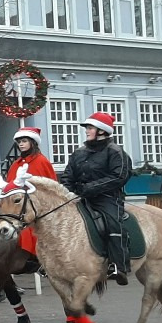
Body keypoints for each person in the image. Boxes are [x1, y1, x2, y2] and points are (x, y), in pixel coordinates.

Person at [61, 111, 133, 285]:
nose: (86, 130)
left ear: (101, 131)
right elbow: (67, 175)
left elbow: (119, 177)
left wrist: (89, 189)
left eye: (90, 127)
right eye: (87, 127)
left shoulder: (115, 152)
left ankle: (118, 265)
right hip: (79, 196)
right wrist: (67, 191)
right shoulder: (79, 152)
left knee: (112, 223)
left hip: (107, 197)